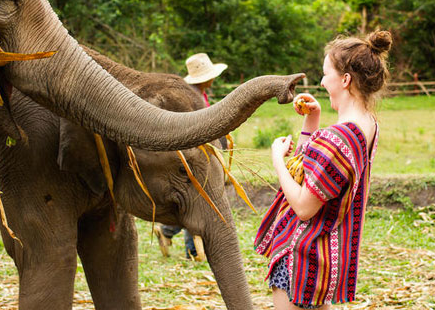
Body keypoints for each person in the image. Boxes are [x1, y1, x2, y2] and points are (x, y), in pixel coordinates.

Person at [254, 30, 391, 309]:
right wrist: (312, 120)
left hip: (301, 257)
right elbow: (318, 174)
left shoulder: (336, 139)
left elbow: (305, 206)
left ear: (345, 80)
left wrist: (277, 159)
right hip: (327, 256)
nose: (321, 81)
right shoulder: (368, 126)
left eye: (325, 74)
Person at [154, 53, 228, 260]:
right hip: (193, 155)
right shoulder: (190, 97)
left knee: (196, 199)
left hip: (198, 153)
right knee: (197, 199)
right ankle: (192, 250)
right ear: (205, 78)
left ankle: (169, 232)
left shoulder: (199, 94)